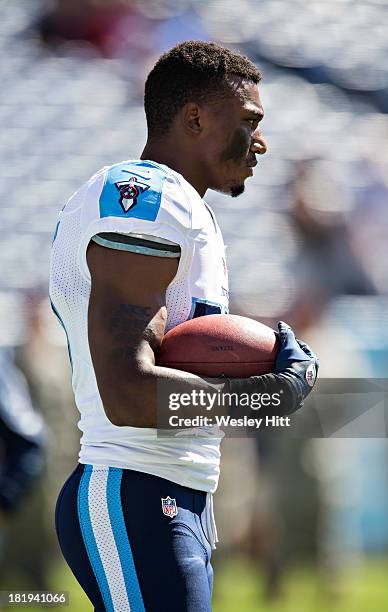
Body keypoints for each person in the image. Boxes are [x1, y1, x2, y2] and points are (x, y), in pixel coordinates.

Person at [50, 41, 319, 612]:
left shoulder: (184, 209)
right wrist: (263, 399)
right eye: (249, 121)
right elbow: (126, 393)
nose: (261, 142)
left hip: (173, 491)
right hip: (133, 488)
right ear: (194, 118)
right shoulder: (143, 202)